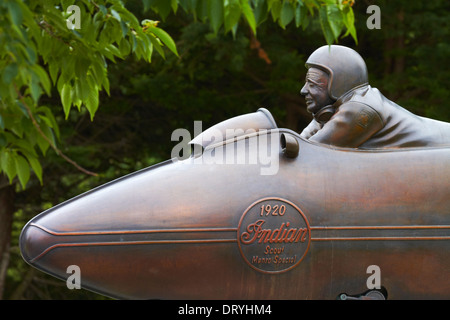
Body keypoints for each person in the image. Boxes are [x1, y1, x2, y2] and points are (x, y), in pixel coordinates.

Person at [299, 45, 450, 149]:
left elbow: (310, 150)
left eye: (313, 84)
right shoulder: (334, 109)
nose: (303, 90)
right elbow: (302, 140)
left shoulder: (360, 109)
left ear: (337, 85)